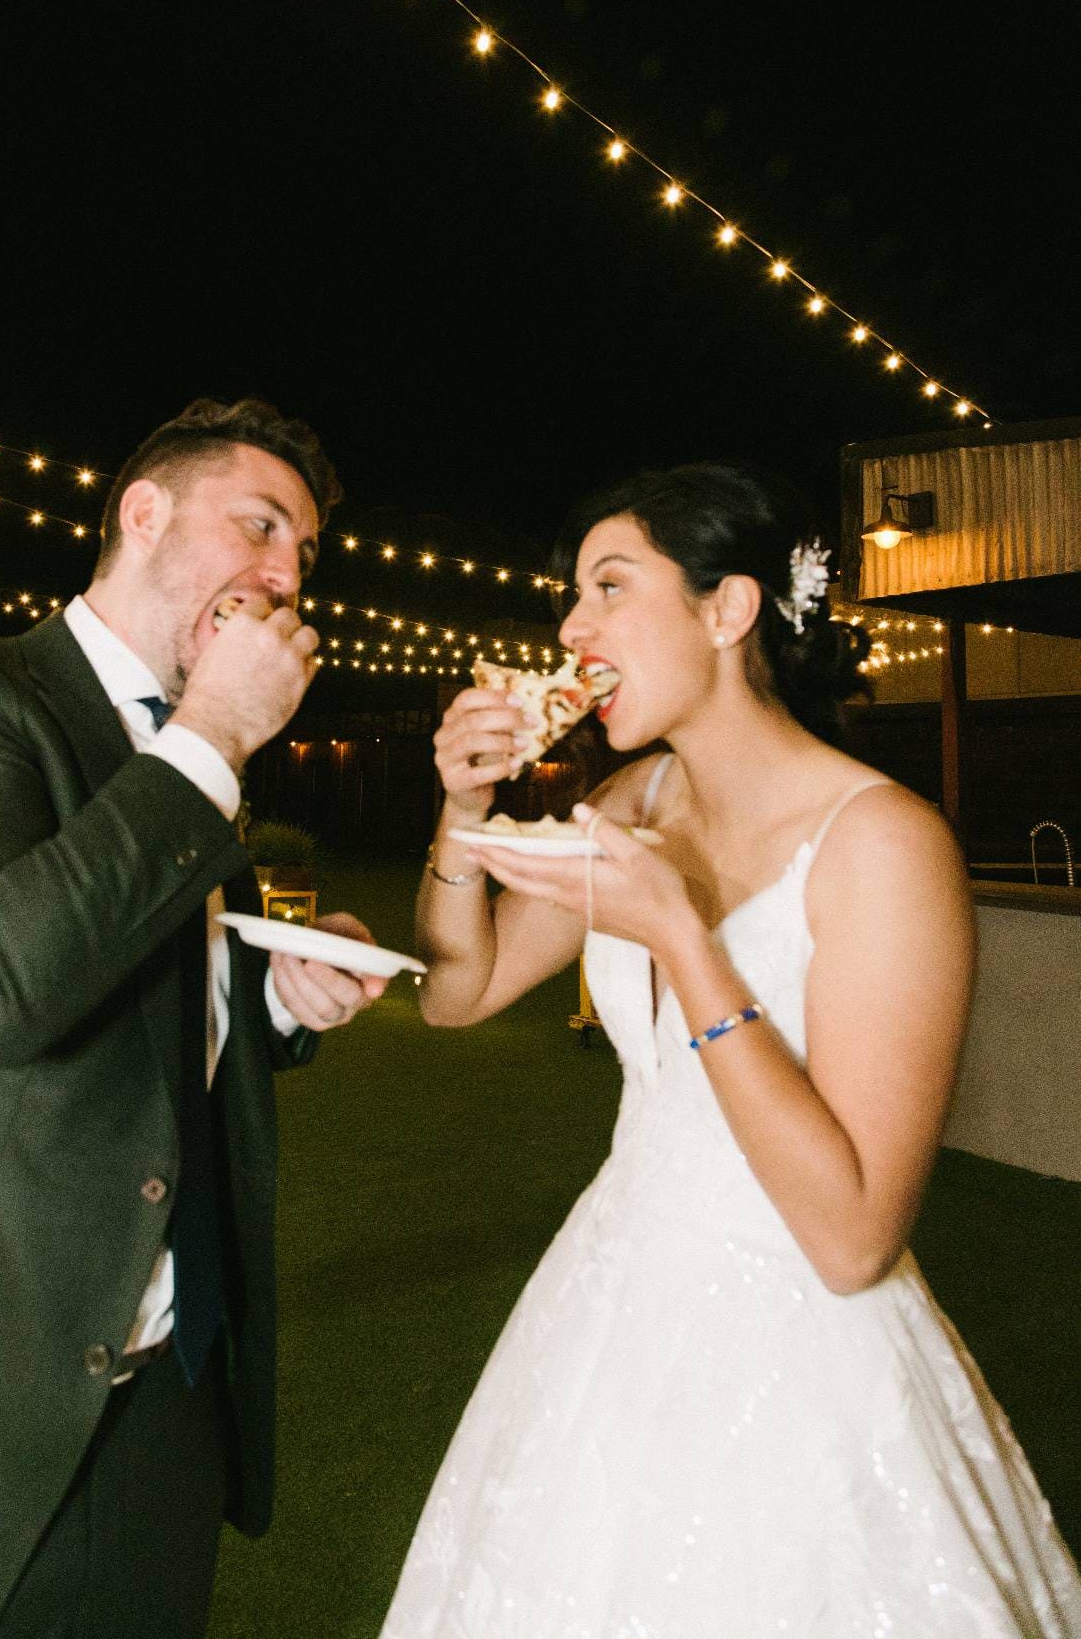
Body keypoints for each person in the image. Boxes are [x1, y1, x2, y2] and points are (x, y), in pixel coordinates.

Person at [382, 462, 1081, 1638]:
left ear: (727, 609)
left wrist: (678, 935)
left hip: (799, 1340)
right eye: (571, 595)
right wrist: (464, 808)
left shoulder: (884, 842)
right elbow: (463, 988)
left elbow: (853, 1235)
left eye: (608, 585)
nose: (570, 625)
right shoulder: (630, 799)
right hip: (609, 1303)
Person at [0, 396, 388, 1639]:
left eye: (303, 554)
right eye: (259, 525)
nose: (284, 575)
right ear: (141, 514)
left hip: (157, 1402)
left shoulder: (192, 759)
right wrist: (211, 739)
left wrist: (276, 993)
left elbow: (145, 992)